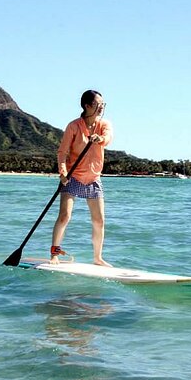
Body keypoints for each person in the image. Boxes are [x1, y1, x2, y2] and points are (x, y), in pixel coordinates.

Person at [50, 90, 113, 267]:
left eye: (103, 104)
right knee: (64, 216)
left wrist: (100, 138)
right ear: (87, 106)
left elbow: (108, 138)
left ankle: (98, 258)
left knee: (99, 220)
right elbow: (62, 152)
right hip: (73, 177)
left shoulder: (104, 124)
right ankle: (54, 254)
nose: (101, 107)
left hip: (93, 178)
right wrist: (62, 172)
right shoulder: (74, 126)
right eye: (97, 104)